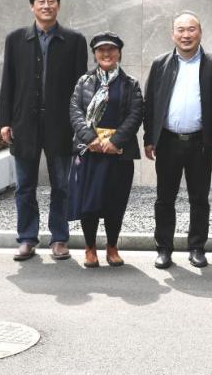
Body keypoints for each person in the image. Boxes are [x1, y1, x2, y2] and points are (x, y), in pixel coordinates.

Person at [0, 0, 88, 262]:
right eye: (41, 1)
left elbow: (81, 88)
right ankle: (27, 238)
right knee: (25, 186)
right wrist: (4, 121)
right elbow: (8, 81)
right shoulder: (16, 40)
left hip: (61, 126)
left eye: (51, 1)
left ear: (58, 5)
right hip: (24, 124)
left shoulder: (74, 41)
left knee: (61, 186)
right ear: (32, 6)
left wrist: (80, 126)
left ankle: (59, 239)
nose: (46, 5)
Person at [143, 11, 212, 269]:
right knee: (165, 198)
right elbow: (150, 103)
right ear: (172, 34)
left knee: (199, 198)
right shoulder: (160, 64)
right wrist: (149, 138)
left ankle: (197, 247)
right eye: (180, 30)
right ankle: (164, 248)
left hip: (200, 142)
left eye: (191, 29)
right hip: (167, 141)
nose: (186, 35)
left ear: (200, 32)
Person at [67, 32, 144, 268]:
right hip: (90, 151)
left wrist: (116, 141)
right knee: (88, 204)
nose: (106, 53)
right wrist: (90, 138)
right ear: (95, 54)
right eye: (101, 50)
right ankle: (90, 248)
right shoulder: (84, 82)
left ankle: (112, 247)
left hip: (118, 154)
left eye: (111, 49)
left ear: (119, 52)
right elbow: (75, 111)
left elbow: (136, 114)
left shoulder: (130, 84)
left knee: (115, 203)